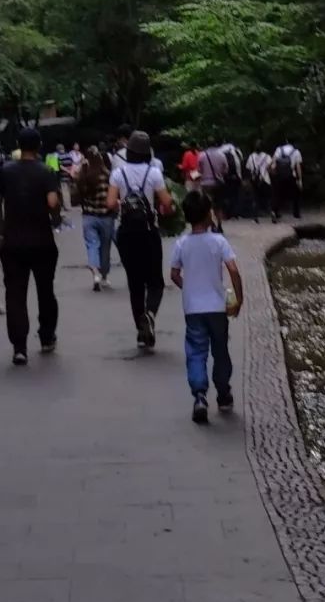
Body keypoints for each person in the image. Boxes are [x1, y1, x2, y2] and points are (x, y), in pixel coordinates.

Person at [171, 188, 244, 423]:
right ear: (207, 215)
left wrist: (189, 287)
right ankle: (223, 394)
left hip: (193, 309)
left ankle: (200, 396)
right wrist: (239, 299)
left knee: (196, 352)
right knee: (220, 350)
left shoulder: (182, 243)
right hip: (217, 307)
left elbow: (173, 274)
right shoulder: (218, 241)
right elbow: (233, 269)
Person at [0, 127, 63, 365]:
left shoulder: (6, 171)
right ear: (39, 145)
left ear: (19, 146)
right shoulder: (46, 172)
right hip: (42, 240)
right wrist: (55, 219)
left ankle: (19, 347)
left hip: (13, 241)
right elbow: (53, 202)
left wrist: (1, 226)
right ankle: (46, 336)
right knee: (45, 290)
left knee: (15, 293)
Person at [107, 130, 174, 349]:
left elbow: (109, 204)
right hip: (148, 232)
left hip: (126, 234)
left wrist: (124, 204)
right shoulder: (154, 173)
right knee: (155, 282)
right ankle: (151, 314)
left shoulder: (118, 173)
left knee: (135, 284)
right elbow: (166, 203)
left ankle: (141, 332)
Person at [76, 144, 117, 290]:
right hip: (106, 217)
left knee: (92, 245)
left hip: (88, 216)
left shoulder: (84, 175)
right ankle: (104, 276)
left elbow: (77, 195)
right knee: (105, 248)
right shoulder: (107, 175)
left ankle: (95, 274)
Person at [271, 140, 303, 223]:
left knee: (277, 194)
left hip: (279, 176)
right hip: (291, 176)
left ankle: (275, 211)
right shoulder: (296, 152)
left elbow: (273, 162)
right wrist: (299, 180)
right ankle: (296, 213)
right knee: (296, 193)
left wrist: (274, 173)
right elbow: (298, 167)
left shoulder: (279, 149)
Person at [245, 143, 273, 223]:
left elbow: (248, 169)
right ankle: (272, 213)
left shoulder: (251, 157)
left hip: (255, 181)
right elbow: (270, 168)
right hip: (266, 180)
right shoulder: (267, 156)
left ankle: (255, 217)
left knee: (255, 199)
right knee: (268, 199)